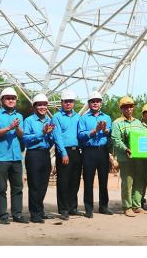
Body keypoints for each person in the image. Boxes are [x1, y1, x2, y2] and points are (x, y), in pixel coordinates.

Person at [22, 94, 67, 223]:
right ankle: (34, 213)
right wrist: (42, 133)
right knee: (34, 185)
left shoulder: (50, 121)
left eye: (44, 104)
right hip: (33, 154)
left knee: (43, 185)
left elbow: (52, 140)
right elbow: (25, 139)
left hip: (45, 154)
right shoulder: (29, 121)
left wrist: (50, 135)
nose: (42, 107)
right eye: (39, 104)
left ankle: (40, 210)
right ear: (35, 106)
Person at [0, 87, 27, 224]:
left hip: (16, 157)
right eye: (8, 98)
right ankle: (3, 215)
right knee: (2, 188)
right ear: (2, 100)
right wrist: (9, 128)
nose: (11, 100)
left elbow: (22, 136)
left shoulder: (19, 116)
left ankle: (17, 214)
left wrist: (17, 128)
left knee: (17, 188)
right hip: (1, 158)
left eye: (13, 98)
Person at [77, 91, 113, 218]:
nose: (95, 103)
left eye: (97, 101)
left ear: (101, 103)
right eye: (93, 101)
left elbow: (111, 134)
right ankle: (88, 208)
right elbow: (80, 135)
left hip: (103, 150)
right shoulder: (83, 118)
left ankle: (104, 206)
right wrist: (94, 131)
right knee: (88, 180)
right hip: (89, 151)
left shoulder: (107, 118)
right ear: (89, 103)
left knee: (104, 180)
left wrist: (105, 130)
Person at [111, 96, 145, 216]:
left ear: (133, 108)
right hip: (125, 158)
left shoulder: (138, 122)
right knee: (127, 182)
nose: (128, 109)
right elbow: (116, 139)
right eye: (125, 107)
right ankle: (127, 207)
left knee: (138, 182)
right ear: (121, 108)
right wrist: (126, 149)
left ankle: (137, 205)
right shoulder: (117, 123)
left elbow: (143, 138)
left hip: (138, 157)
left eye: (130, 106)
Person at [52, 90, 82, 220]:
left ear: (73, 103)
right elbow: (57, 136)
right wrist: (63, 153)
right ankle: (63, 209)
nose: (68, 104)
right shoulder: (57, 117)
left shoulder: (78, 117)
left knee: (75, 181)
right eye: (66, 101)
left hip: (77, 152)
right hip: (64, 152)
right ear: (62, 103)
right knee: (63, 181)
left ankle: (72, 207)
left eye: (70, 101)